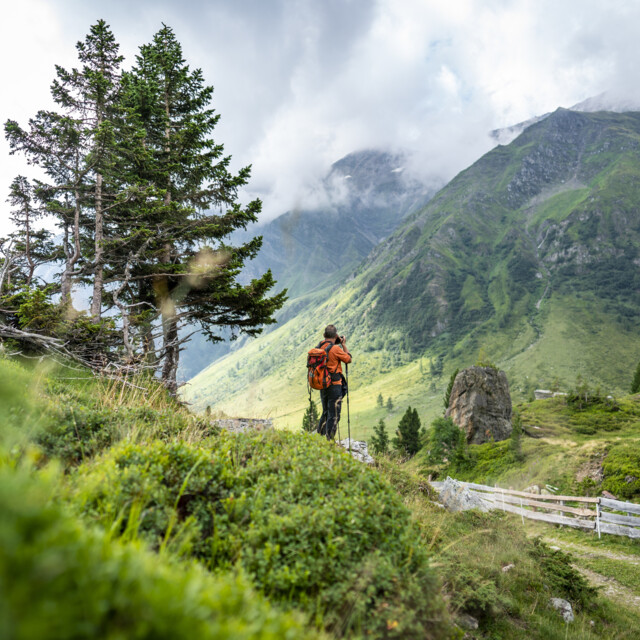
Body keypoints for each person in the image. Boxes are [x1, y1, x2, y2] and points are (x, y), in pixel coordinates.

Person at [316, 324, 351, 441]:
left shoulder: (319, 347)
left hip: (322, 384)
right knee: (334, 414)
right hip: (335, 385)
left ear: (324, 335)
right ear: (336, 336)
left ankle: (319, 438)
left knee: (326, 412)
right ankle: (329, 441)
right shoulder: (336, 349)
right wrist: (343, 344)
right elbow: (348, 359)